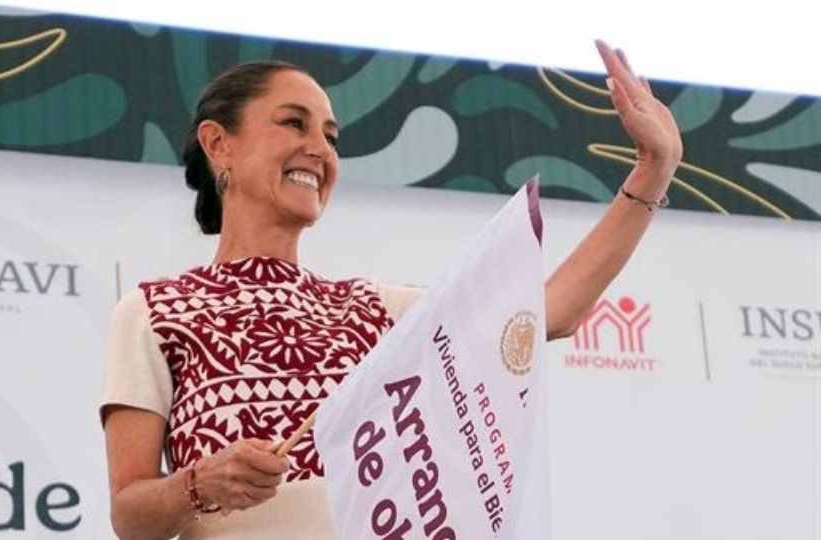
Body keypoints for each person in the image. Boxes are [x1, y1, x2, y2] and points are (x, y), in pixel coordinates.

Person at [100, 40, 682, 540]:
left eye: (331, 136)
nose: (321, 149)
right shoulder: (156, 310)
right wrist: (201, 484)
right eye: (293, 123)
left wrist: (654, 169)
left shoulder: (374, 310)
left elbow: (547, 312)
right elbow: (130, 515)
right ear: (218, 143)